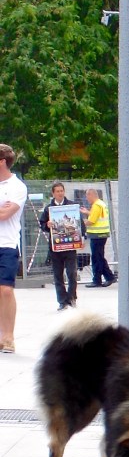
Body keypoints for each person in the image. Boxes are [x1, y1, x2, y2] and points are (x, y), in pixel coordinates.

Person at [0, 144, 28, 354]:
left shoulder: (17, 186)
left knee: (5, 290)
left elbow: (5, 215)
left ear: (2, 162)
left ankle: (8, 337)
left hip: (7, 244)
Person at [39, 182, 80, 311]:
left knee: (71, 273)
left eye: (61, 191)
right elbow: (42, 224)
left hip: (70, 246)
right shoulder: (48, 208)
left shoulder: (71, 206)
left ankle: (71, 298)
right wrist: (47, 224)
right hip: (55, 247)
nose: (60, 193)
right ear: (53, 193)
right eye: (57, 191)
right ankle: (62, 301)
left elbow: (79, 224)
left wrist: (81, 237)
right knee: (58, 275)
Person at [81, 189, 116, 288]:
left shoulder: (96, 205)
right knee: (99, 256)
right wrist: (88, 212)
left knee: (97, 258)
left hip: (97, 234)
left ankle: (98, 279)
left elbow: (91, 221)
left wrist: (79, 222)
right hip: (101, 234)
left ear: (91, 195)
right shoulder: (101, 204)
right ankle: (108, 277)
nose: (87, 199)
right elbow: (96, 216)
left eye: (87, 196)